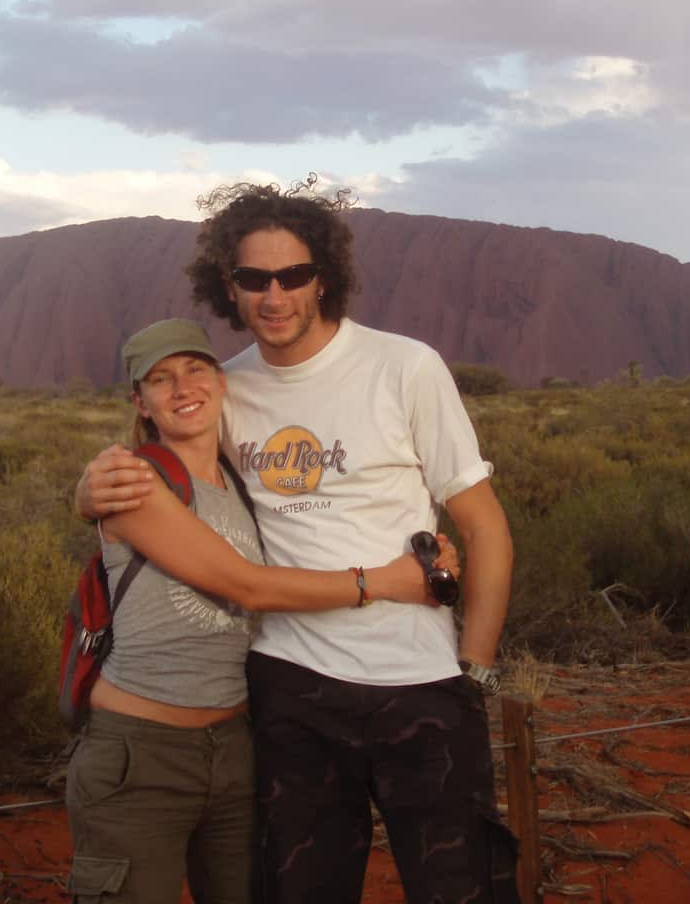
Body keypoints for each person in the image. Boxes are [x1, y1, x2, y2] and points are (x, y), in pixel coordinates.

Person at [77, 180, 518, 904]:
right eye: (253, 279)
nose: (273, 295)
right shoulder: (230, 386)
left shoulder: (404, 367)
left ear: (324, 279)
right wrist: (89, 488)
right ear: (230, 286)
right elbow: (160, 448)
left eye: (293, 276)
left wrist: (476, 671)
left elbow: (484, 524)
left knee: (464, 887)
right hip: (288, 689)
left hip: (420, 685)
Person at [65, 316, 455, 904]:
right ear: (140, 401)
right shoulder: (135, 483)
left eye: (196, 370)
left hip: (234, 749)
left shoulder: (240, 480)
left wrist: (430, 550)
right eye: (162, 379)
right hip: (140, 754)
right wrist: (389, 582)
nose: (183, 389)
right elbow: (248, 586)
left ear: (222, 382)